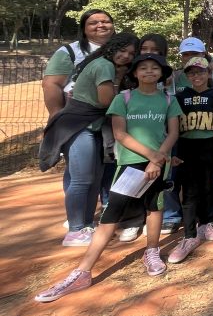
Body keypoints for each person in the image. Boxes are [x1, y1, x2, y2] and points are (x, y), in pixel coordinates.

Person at [35, 53, 183, 302]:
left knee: (154, 207)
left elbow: (173, 133)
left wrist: (158, 160)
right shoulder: (123, 98)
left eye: (154, 68)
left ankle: (152, 251)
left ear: (162, 74)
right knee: (112, 213)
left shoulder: (169, 99)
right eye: (143, 68)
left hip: (158, 163)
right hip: (131, 164)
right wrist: (152, 157)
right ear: (134, 73)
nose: (149, 71)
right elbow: (120, 134)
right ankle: (83, 271)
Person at [39, 32, 140, 246]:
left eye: (131, 54)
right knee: (82, 179)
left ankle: (85, 225)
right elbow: (106, 101)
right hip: (79, 124)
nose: (126, 56)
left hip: (93, 125)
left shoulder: (106, 64)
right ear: (112, 47)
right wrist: (125, 89)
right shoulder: (105, 66)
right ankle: (75, 230)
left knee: (94, 179)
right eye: (122, 50)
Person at [167, 57, 213, 263]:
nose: (197, 76)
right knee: (189, 190)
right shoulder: (180, 96)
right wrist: (174, 152)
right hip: (187, 147)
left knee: (208, 187)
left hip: (209, 146)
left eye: (201, 72)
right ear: (187, 76)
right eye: (192, 73)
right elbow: (173, 127)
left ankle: (206, 223)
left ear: (209, 74)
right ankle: (189, 234)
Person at [41, 9, 115, 117]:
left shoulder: (125, 50)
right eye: (93, 23)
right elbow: (52, 84)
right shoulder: (69, 52)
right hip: (79, 114)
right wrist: (56, 114)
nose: (101, 25)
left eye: (106, 22)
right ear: (84, 29)